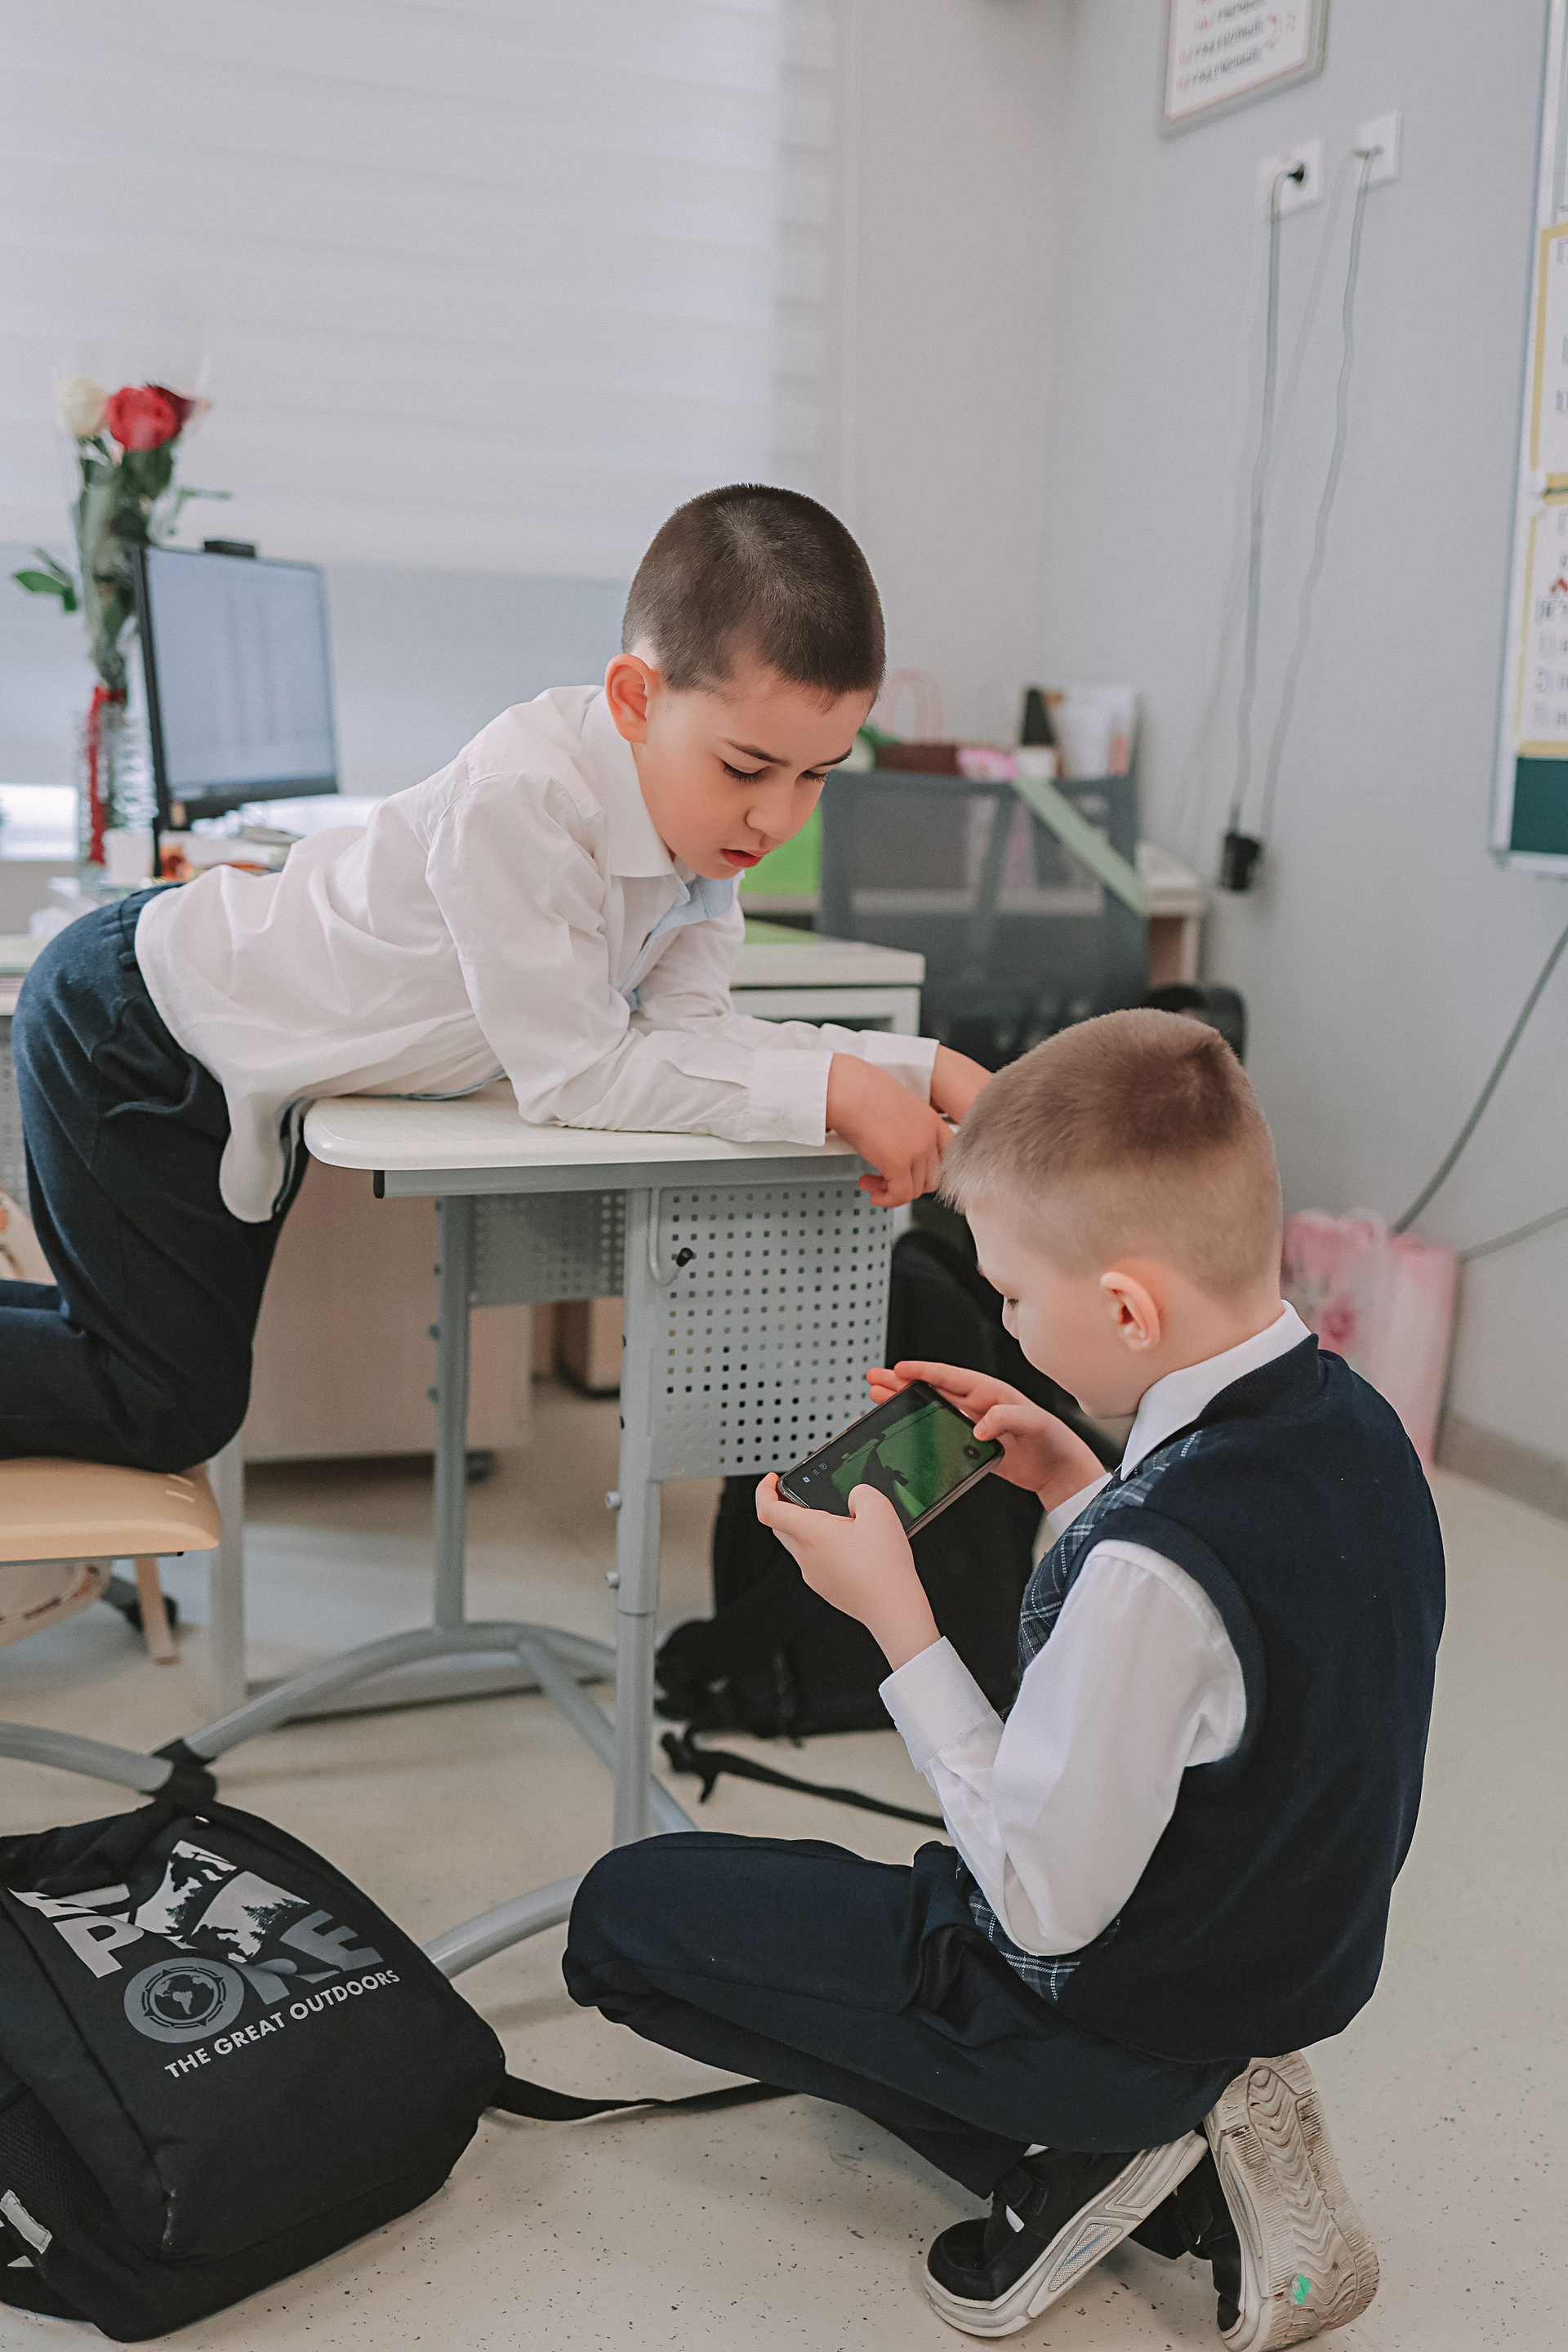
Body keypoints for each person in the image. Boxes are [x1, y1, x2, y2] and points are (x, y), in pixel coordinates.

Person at [565, 1009, 1446, 2345]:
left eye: (1017, 1298)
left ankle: (1106, 2158)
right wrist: (1079, 1479)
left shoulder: (1150, 1569)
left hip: (1103, 2005)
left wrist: (897, 1622)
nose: (1009, 1324)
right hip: (1271, 1960)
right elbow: (1234, 1683)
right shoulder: (1356, 1427)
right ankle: (1173, 2112)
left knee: (622, 1923)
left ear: (1128, 1309)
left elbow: (1038, 1904)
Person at [2, 486, 988, 1471]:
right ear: (635, 699)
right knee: (164, 1401)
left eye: (816, 775)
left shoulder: (700, 835)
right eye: (747, 768)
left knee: (159, 1367)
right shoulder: (528, 798)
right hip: (135, 1024)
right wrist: (840, 1087)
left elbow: (690, 1037)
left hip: (212, 1042)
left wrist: (911, 1067)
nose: (777, 819)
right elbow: (579, 1075)